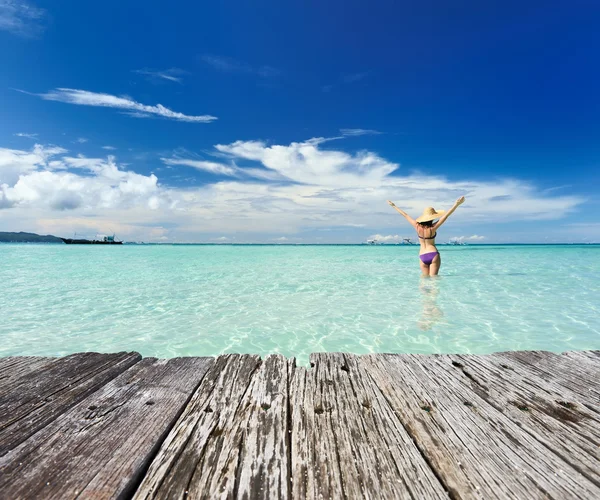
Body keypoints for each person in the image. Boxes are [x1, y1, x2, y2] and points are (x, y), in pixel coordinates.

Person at [387, 196, 466, 276]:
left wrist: (393, 205)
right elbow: (445, 216)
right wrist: (457, 204)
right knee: (434, 281)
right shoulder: (433, 228)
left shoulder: (417, 226)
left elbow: (405, 215)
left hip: (422, 256)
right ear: (432, 218)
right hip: (433, 254)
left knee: (424, 281)